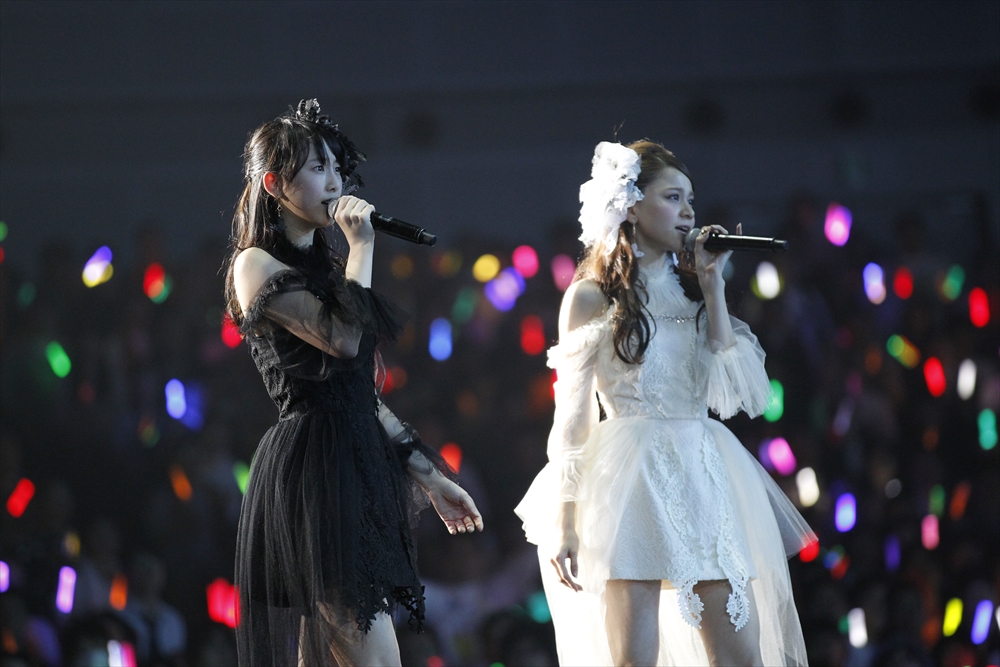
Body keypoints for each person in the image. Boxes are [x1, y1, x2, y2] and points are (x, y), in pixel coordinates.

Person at [515, 141, 815, 666]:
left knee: (741, 657)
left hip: (704, 471)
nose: (689, 212)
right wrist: (566, 518)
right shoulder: (590, 296)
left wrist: (712, 284)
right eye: (673, 197)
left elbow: (735, 393)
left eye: (690, 200)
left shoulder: (695, 293)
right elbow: (572, 420)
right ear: (631, 207)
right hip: (627, 481)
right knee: (635, 659)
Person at [224, 99, 483, 667]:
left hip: (356, 458)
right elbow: (341, 339)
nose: (335, 181)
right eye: (318, 168)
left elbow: (359, 391)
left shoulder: (330, 271)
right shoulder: (254, 264)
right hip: (314, 470)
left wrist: (429, 477)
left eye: (337, 168)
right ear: (274, 184)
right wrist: (362, 246)